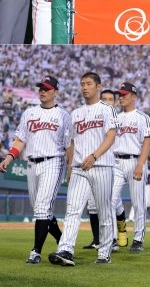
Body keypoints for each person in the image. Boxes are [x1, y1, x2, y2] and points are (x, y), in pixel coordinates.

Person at [49, 72, 119, 266]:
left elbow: (111, 136)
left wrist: (95, 156)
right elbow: (71, 142)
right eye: (82, 84)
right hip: (80, 167)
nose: (85, 87)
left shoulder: (107, 109)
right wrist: (71, 166)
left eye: (89, 83)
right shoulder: (76, 113)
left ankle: (104, 252)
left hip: (102, 166)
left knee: (104, 211)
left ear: (98, 86)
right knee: (72, 210)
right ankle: (65, 250)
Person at [0, 75, 71, 264]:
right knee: (42, 210)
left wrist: (71, 167)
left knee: (41, 208)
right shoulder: (29, 113)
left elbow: (68, 145)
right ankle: (62, 240)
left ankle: (35, 251)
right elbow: (20, 139)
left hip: (53, 162)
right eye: (41, 88)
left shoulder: (63, 114)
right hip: (31, 164)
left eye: (47, 89)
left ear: (56, 92)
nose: (42, 91)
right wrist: (9, 157)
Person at [111, 82, 150, 252]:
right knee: (110, 200)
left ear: (133, 97)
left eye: (124, 94)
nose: (121, 97)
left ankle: (138, 239)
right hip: (116, 162)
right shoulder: (115, 117)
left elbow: (147, 142)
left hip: (136, 161)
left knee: (138, 203)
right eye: (119, 95)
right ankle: (113, 237)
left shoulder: (143, 117)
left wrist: (140, 164)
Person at [83, 88, 118, 251]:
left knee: (112, 204)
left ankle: (117, 238)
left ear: (115, 102)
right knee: (92, 205)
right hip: (92, 163)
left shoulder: (116, 118)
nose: (107, 101)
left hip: (111, 164)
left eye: (110, 99)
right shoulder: (93, 116)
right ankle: (97, 239)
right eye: (104, 98)